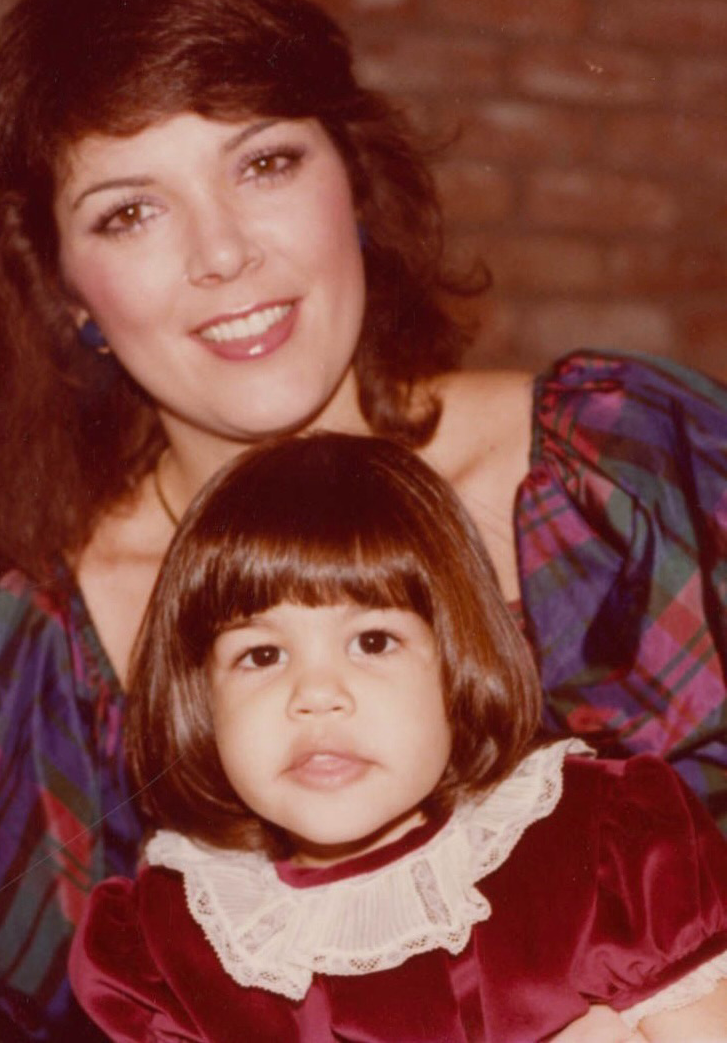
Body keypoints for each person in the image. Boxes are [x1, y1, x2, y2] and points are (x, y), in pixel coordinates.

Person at [0, 0, 725, 1043]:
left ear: (352, 179)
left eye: (264, 163)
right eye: (129, 211)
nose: (223, 253)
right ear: (61, 290)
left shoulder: (621, 481)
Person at [70, 432, 727, 1042]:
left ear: (458, 662)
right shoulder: (171, 951)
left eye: (373, 641)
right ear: (202, 700)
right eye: (262, 655)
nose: (316, 694)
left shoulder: (602, 848)